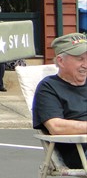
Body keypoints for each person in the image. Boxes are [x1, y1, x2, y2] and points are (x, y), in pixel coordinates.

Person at [31, 32, 87, 169]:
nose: (85, 64)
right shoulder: (48, 87)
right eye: (80, 59)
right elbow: (56, 126)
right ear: (61, 61)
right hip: (79, 151)